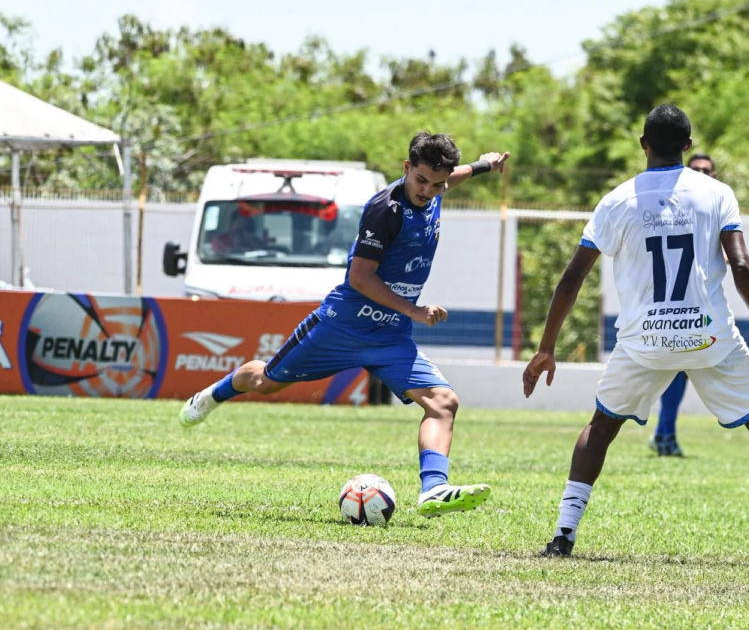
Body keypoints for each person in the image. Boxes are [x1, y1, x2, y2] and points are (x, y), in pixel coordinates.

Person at [179, 132, 510, 517]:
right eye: (421, 180)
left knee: (443, 402)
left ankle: (433, 490)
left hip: (389, 335)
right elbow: (360, 278)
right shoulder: (384, 210)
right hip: (341, 327)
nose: (429, 190)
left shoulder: (435, 188)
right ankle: (212, 395)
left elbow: (455, 176)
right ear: (407, 169)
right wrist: (415, 311)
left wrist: (485, 164)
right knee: (266, 382)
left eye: (437, 184)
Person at [523, 105, 749, 557]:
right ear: (688, 147)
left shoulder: (617, 200)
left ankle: (563, 536)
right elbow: (742, 267)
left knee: (600, 429)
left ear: (643, 144)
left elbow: (570, 279)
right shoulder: (717, 193)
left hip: (643, 343)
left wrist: (546, 347)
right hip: (710, 338)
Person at [649, 152, 718, 456]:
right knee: (678, 370)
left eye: (707, 170)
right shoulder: (675, 206)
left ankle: (664, 434)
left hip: (702, 304)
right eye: (696, 169)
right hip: (673, 306)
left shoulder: (716, 205)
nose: (702, 174)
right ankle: (664, 435)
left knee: (680, 372)